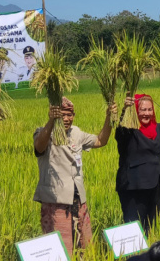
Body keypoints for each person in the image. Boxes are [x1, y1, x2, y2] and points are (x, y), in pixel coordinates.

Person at [33, 97, 117, 254]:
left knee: (85, 247)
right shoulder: (44, 132)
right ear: (55, 114)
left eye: (69, 115)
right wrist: (51, 121)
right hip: (56, 202)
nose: (66, 119)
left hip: (78, 200)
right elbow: (39, 146)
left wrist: (109, 118)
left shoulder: (76, 133)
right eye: (62, 114)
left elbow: (101, 140)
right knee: (62, 250)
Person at [115, 92, 160, 233]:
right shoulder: (129, 131)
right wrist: (124, 111)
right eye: (142, 110)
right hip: (134, 187)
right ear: (135, 111)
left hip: (154, 185)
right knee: (133, 227)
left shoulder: (156, 128)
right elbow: (119, 132)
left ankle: (147, 254)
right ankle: (131, 255)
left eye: (149, 109)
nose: (147, 113)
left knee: (149, 226)